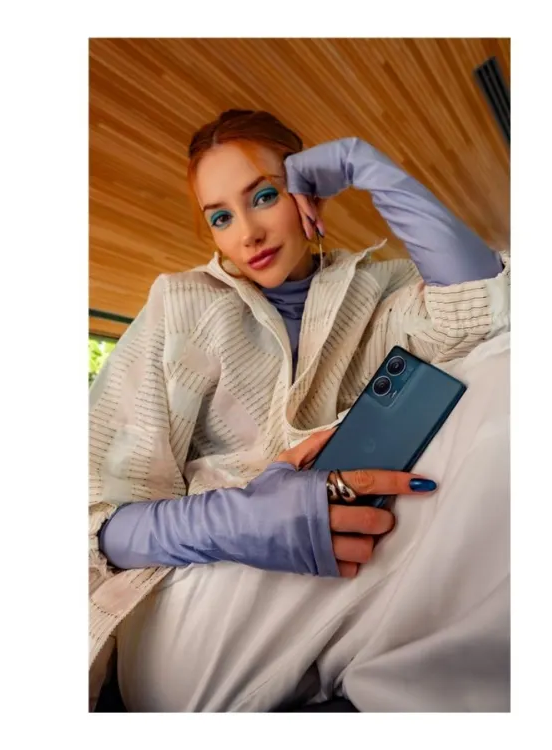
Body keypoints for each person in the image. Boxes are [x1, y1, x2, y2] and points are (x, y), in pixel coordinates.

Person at [88, 109, 511, 712]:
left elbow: (482, 313)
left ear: (304, 192)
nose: (247, 234)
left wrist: (367, 166)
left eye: (264, 196)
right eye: (220, 217)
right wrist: (243, 520)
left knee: (502, 364)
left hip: (355, 560)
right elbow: (96, 521)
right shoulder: (179, 304)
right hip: (202, 605)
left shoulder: (378, 288)